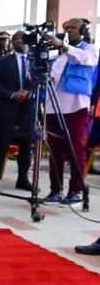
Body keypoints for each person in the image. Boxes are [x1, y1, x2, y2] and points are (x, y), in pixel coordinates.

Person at [41, 18, 98, 205]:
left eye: (72, 28)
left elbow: (86, 60)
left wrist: (64, 47)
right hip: (53, 106)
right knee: (55, 151)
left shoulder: (89, 49)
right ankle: (55, 189)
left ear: (83, 30)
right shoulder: (56, 52)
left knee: (76, 149)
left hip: (75, 107)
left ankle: (76, 191)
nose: (68, 30)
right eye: (66, 28)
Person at [0, 31, 34, 194]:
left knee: (26, 147)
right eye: (20, 41)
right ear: (13, 43)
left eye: (26, 41)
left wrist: (30, 93)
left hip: (27, 110)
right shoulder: (3, 62)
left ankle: (23, 179)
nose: (24, 45)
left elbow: (39, 82)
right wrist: (12, 94)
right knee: (1, 146)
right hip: (8, 109)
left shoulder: (34, 62)